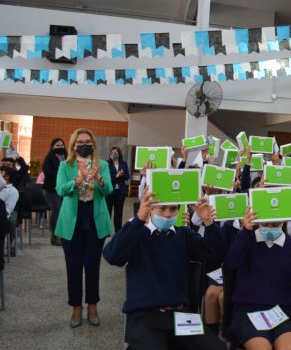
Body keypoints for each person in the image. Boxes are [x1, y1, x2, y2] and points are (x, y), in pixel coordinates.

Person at [103, 189, 226, 350]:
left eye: (173, 209)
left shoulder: (183, 235)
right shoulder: (137, 234)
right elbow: (112, 256)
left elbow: (215, 256)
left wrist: (209, 223)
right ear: (151, 209)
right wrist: (139, 219)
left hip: (181, 315)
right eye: (162, 208)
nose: (168, 214)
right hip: (145, 315)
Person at [224, 208, 291, 349]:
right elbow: (231, 262)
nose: (270, 229)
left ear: (283, 222)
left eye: (275, 224)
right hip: (248, 310)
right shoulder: (248, 239)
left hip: (283, 311)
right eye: (265, 224)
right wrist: (245, 232)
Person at [55, 128, 113, 328]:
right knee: (73, 266)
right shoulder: (65, 165)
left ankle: (92, 305)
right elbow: (60, 189)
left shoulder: (102, 165)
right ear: (73, 145)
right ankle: (76, 308)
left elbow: (109, 190)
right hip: (72, 220)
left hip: (95, 219)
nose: (83, 145)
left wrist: (98, 179)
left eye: (87, 141)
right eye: (79, 142)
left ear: (93, 144)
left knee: (92, 265)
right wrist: (77, 180)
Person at [42, 138, 67, 246]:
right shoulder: (49, 158)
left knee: (62, 212)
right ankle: (55, 236)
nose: (60, 147)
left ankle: (61, 234)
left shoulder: (67, 157)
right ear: (52, 147)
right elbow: (47, 173)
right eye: (57, 145)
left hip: (63, 189)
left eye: (61, 145)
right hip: (51, 189)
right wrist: (61, 172)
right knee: (57, 210)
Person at [106, 146, 130, 232]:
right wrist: (116, 175)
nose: (113, 154)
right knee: (107, 211)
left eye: (115, 153)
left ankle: (118, 231)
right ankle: (107, 230)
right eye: (112, 153)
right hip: (109, 191)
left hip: (120, 191)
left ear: (119, 154)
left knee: (118, 212)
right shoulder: (107, 164)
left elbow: (127, 176)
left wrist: (121, 174)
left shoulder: (124, 163)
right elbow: (106, 177)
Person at [0, 167, 19, 256]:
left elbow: (8, 210)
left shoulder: (13, 191)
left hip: (2, 217)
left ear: (7, 177)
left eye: (1, 173)